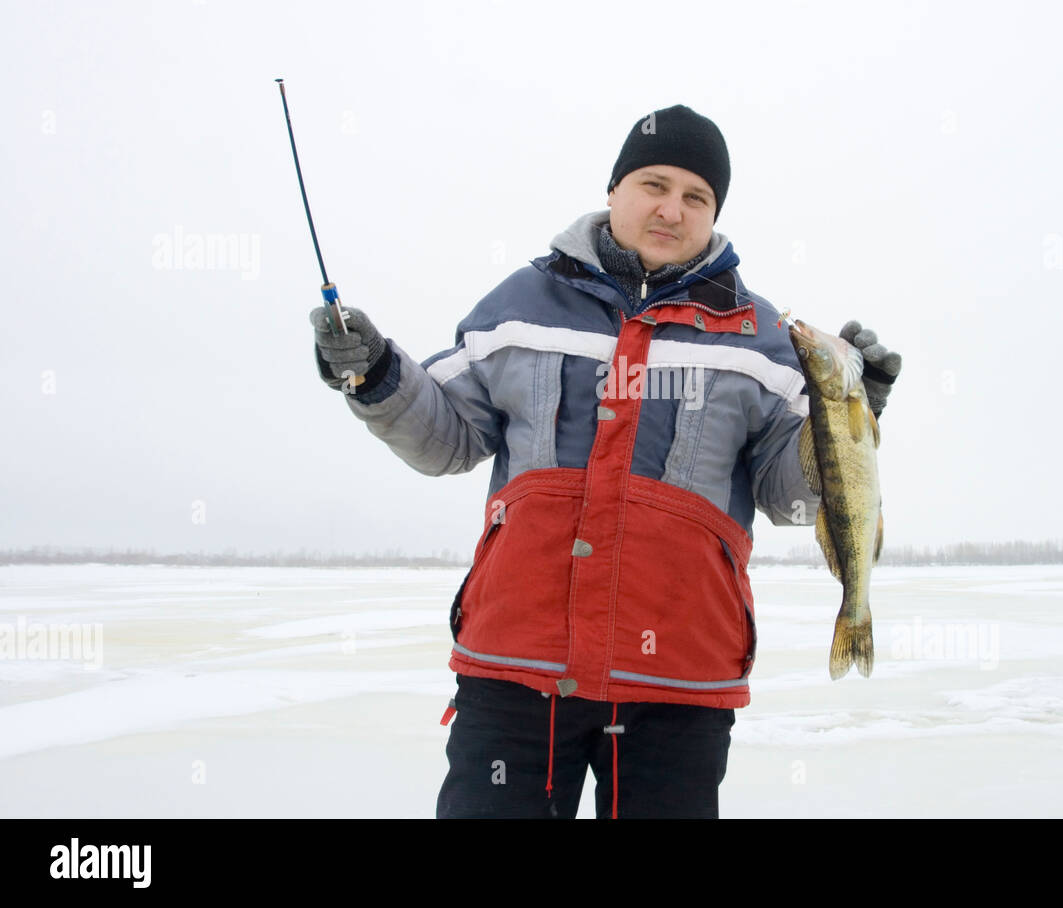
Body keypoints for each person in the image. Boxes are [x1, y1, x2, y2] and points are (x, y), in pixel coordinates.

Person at [309, 105, 902, 818]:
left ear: (714, 214)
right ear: (614, 188)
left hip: (678, 677)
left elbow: (789, 495)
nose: (671, 209)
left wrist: (849, 418)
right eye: (654, 184)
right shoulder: (521, 304)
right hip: (517, 666)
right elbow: (449, 439)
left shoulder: (761, 336)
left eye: (696, 197)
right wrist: (374, 375)